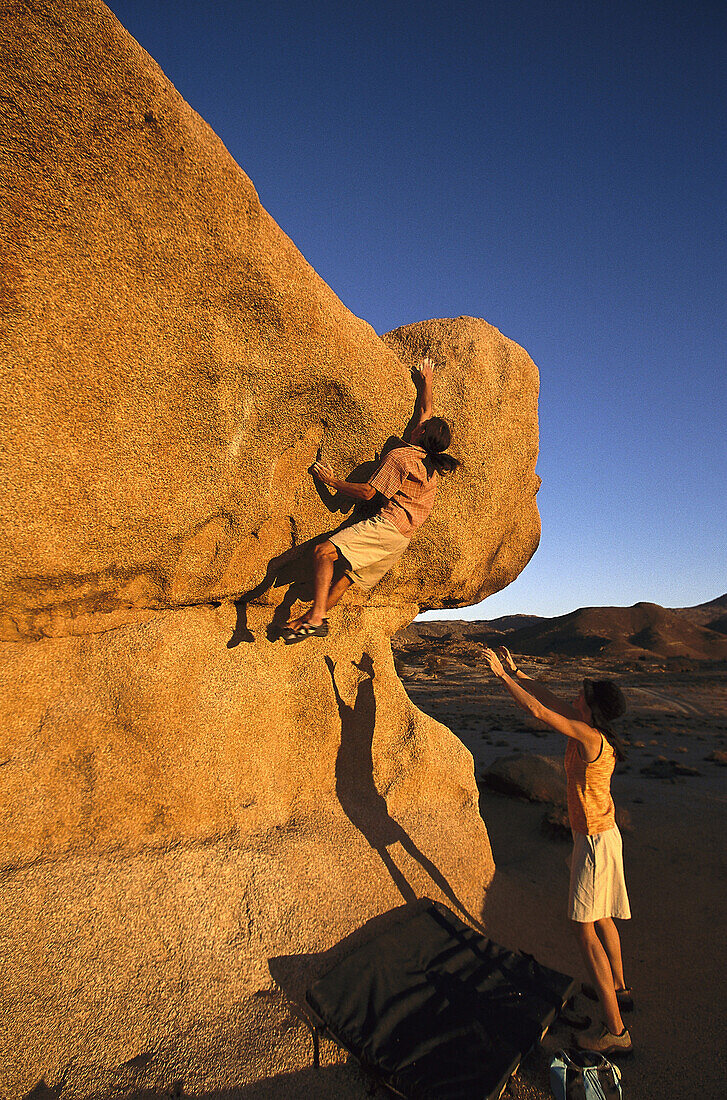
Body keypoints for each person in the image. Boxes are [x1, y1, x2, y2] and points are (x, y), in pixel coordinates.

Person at [481, 644, 634, 1056]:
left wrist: (503, 679)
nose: (576, 697)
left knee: (584, 932)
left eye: (583, 696)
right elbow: (548, 699)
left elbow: (539, 713)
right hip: (604, 838)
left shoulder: (587, 736)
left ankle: (616, 1032)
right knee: (602, 919)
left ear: (592, 710)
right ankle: (619, 990)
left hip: (595, 845)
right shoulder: (593, 731)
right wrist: (520, 672)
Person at [281, 357, 458, 644]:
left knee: (323, 553)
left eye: (422, 426)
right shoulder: (430, 462)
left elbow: (368, 493)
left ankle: (315, 617)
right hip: (400, 542)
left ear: (422, 434)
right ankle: (312, 621)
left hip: (386, 527)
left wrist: (332, 481)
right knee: (346, 578)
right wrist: (427, 381)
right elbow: (426, 409)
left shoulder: (401, 458)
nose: (419, 424)